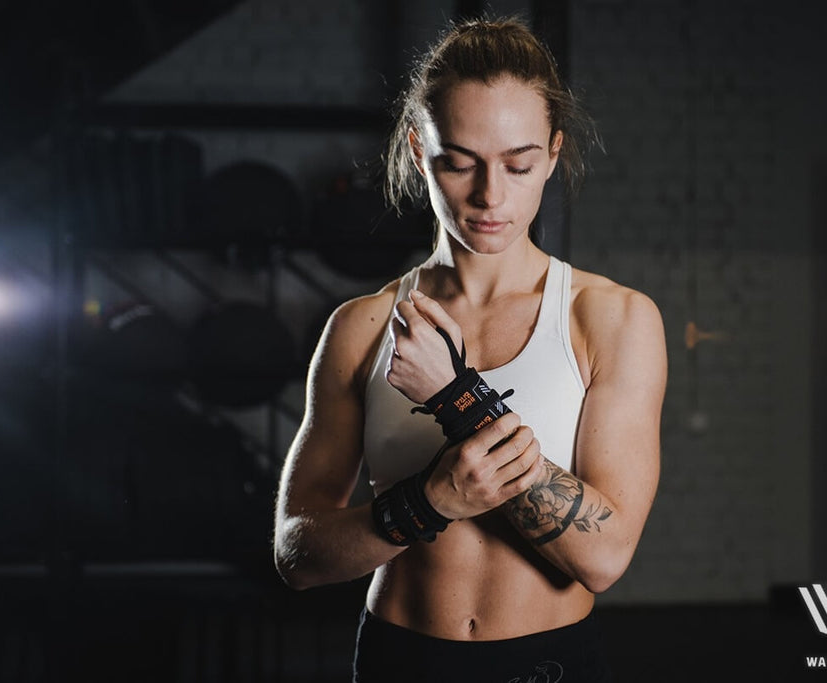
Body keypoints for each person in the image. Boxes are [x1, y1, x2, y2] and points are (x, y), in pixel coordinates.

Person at [273, 16, 667, 682]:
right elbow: (297, 555)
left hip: (548, 661)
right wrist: (429, 502)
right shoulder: (363, 327)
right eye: (459, 161)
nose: (490, 195)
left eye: (518, 164)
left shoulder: (611, 318)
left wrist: (457, 398)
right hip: (403, 657)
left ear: (552, 154)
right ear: (419, 150)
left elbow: (605, 556)